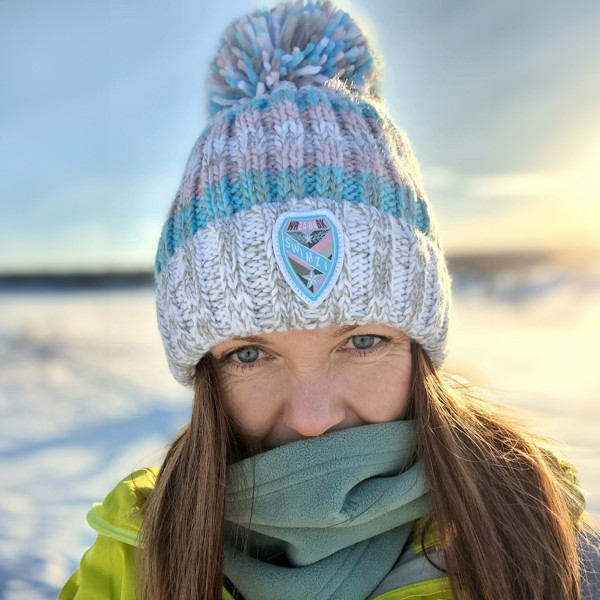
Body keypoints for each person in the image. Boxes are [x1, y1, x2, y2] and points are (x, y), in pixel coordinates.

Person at [59, 1, 600, 599]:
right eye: (248, 354)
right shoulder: (134, 558)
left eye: (362, 341)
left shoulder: (537, 538)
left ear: (418, 347)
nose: (312, 420)